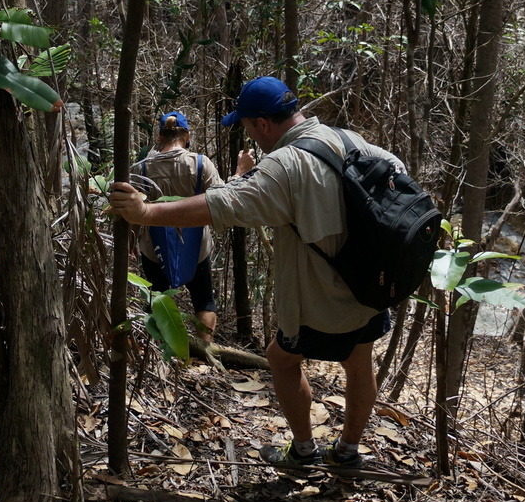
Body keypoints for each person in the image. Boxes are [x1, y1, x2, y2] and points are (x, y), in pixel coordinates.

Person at [110, 77, 404, 471]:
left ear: (262, 124)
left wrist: (146, 213)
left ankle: (304, 452)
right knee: (359, 362)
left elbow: (222, 205)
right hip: (369, 287)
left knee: (281, 360)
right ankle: (348, 451)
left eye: (248, 126)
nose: (250, 134)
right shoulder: (349, 139)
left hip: (319, 298)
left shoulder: (285, 163)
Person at [131, 111, 224, 342]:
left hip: (153, 248)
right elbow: (222, 199)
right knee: (204, 300)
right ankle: (205, 352)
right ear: (187, 135)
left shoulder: (142, 168)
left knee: (158, 300)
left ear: (160, 136)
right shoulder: (200, 164)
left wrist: (132, 241)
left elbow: (131, 211)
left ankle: (160, 351)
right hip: (197, 246)